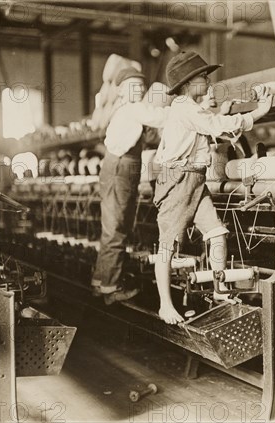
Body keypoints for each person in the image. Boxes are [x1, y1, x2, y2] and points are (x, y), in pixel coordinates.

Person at [153, 51, 273, 324]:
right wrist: (259, 112)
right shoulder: (185, 107)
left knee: (217, 233)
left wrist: (227, 110)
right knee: (167, 247)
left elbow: (214, 123)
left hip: (195, 180)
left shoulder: (190, 108)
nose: (208, 82)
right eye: (203, 77)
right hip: (178, 180)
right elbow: (217, 125)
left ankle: (219, 290)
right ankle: (164, 305)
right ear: (187, 84)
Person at [92, 66, 170, 305]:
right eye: (133, 86)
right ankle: (111, 289)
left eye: (141, 86)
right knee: (117, 228)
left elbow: (150, 135)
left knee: (114, 228)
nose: (139, 90)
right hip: (121, 169)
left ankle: (101, 281)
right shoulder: (134, 108)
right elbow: (162, 117)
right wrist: (187, 109)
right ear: (121, 91)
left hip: (118, 167)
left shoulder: (124, 109)